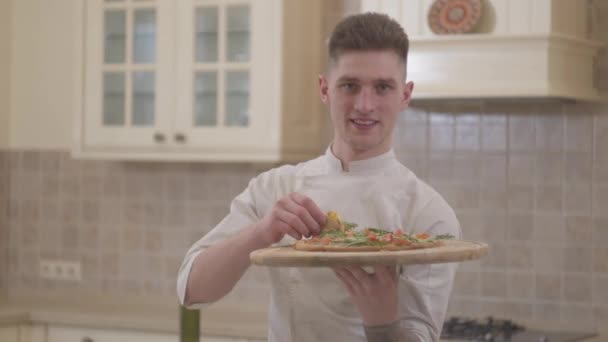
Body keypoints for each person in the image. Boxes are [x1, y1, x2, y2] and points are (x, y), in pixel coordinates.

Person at [177, 12, 461, 342]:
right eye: (350, 86)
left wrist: (382, 323)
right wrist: (261, 232)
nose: (364, 105)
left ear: (405, 95)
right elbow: (191, 290)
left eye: (382, 87)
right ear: (325, 89)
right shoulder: (276, 188)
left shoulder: (429, 215)